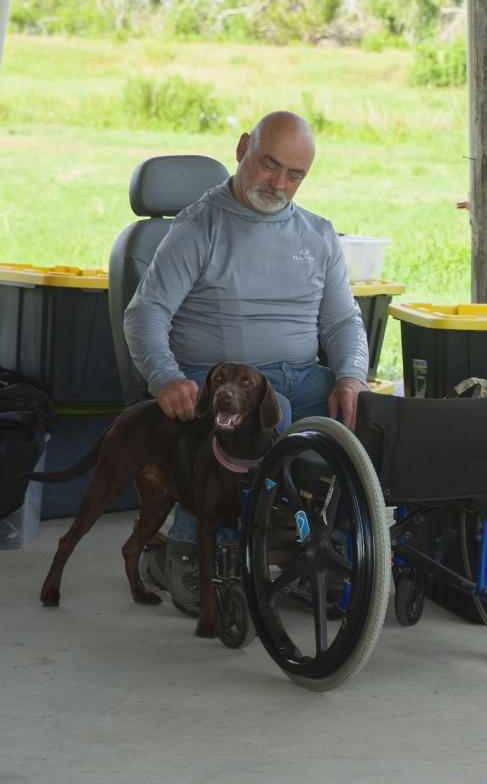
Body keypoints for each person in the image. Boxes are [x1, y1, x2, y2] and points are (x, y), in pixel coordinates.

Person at [124, 110, 369, 612]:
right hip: (218, 380)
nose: (278, 183)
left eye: (294, 174)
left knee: (373, 418)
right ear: (241, 150)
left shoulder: (319, 235)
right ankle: (188, 550)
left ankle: (332, 550)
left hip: (300, 377)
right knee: (248, 418)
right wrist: (165, 377)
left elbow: (343, 323)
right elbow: (145, 311)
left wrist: (350, 376)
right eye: (268, 165)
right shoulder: (199, 226)